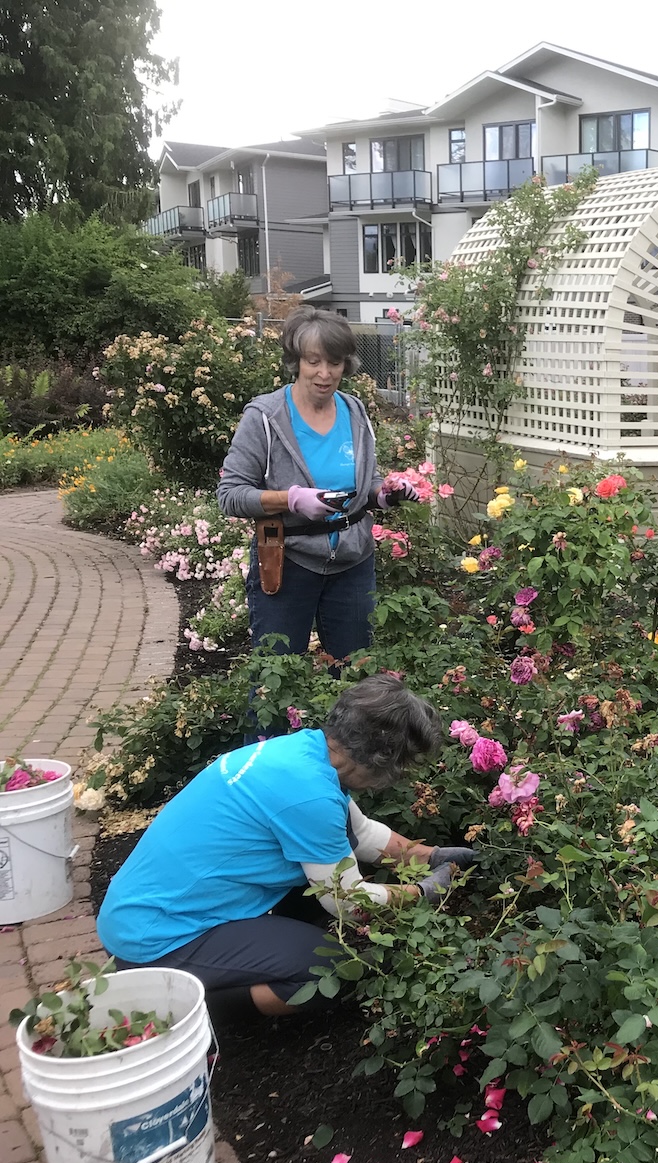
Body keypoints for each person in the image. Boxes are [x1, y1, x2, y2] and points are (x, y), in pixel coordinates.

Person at [97, 676, 474, 1020]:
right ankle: (178, 1005)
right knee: (331, 970)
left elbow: (360, 832)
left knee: (321, 906)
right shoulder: (308, 795)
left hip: (145, 910)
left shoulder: (304, 754)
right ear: (381, 760)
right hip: (158, 938)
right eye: (402, 767)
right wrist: (422, 893)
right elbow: (348, 902)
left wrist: (433, 857)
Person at [218, 307, 417, 660]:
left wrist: (384, 495)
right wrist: (291, 499)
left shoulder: (354, 411)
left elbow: (365, 481)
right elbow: (230, 495)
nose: (324, 374)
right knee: (276, 678)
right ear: (296, 362)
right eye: (314, 361)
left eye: (334, 363)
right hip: (287, 561)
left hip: (353, 563)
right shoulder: (264, 418)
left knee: (355, 673)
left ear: (346, 365)